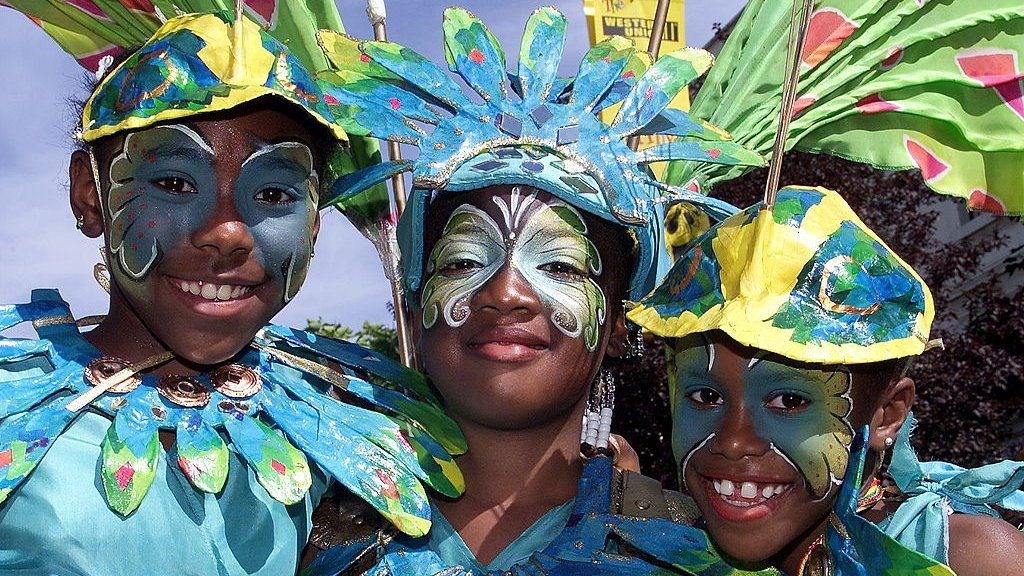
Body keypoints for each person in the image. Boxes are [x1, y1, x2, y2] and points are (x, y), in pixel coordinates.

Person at [305, 6, 768, 575]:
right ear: (413, 299)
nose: (505, 293)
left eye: (561, 268)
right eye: (465, 260)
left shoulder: (695, 550)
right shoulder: (301, 530)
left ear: (621, 324)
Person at [0, 5, 462, 575]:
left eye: (273, 196)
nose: (226, 233)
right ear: (90, 194)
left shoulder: (356, 437)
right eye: (174, 183)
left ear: (315, 221)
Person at [629, 185, 1024, 575]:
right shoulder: (656, 552)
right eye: (704, 395)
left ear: (887, 414)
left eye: (788, 401)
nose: (733, 442)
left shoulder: (970, 558)